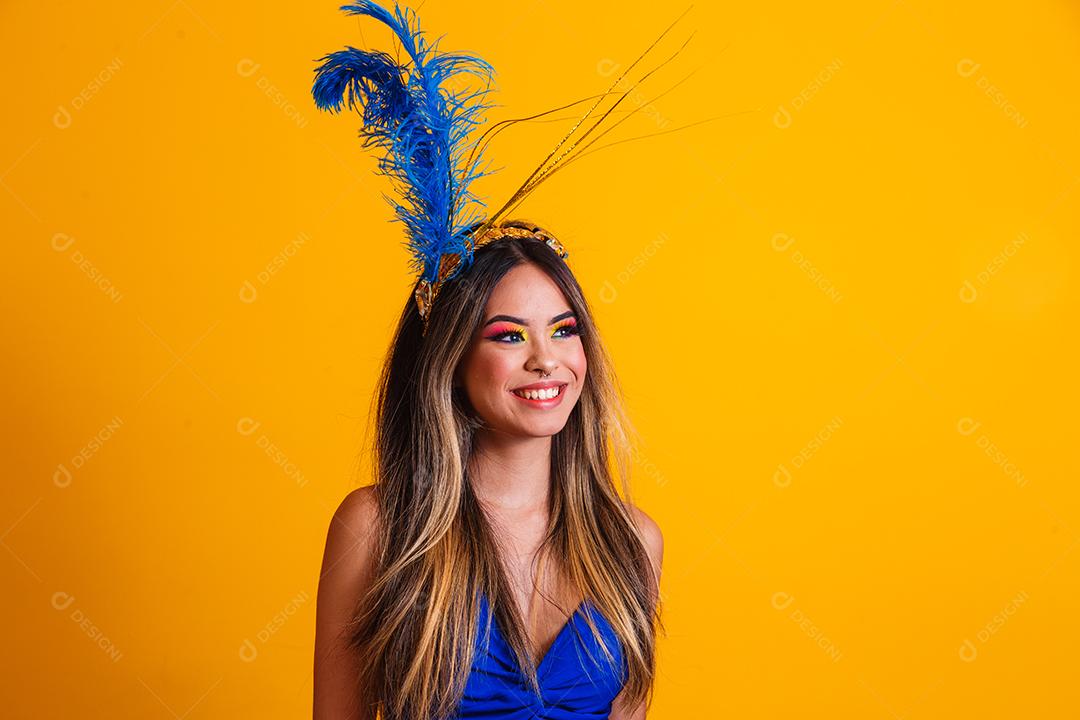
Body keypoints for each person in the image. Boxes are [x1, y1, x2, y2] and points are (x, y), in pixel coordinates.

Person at [309, 3, 679, 717]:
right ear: (449, 359)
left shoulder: (633, 542)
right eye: (508, 335)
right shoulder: (379, 530)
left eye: (563, 330)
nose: (547, 360)